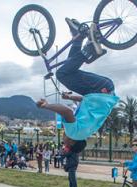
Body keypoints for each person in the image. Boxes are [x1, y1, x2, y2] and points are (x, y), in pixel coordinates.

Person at [37, 18, 119, 153]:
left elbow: (87, 101)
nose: (63, 140)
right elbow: (67, 112)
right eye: (64, 143)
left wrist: (70, 98)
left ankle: (78, 37)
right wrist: (46, 106)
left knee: (70, 68)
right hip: (99, 90)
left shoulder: (86, 131)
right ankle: (90, 47)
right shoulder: (73, 133)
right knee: (62, 74)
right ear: (70, 143)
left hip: (104, 89)